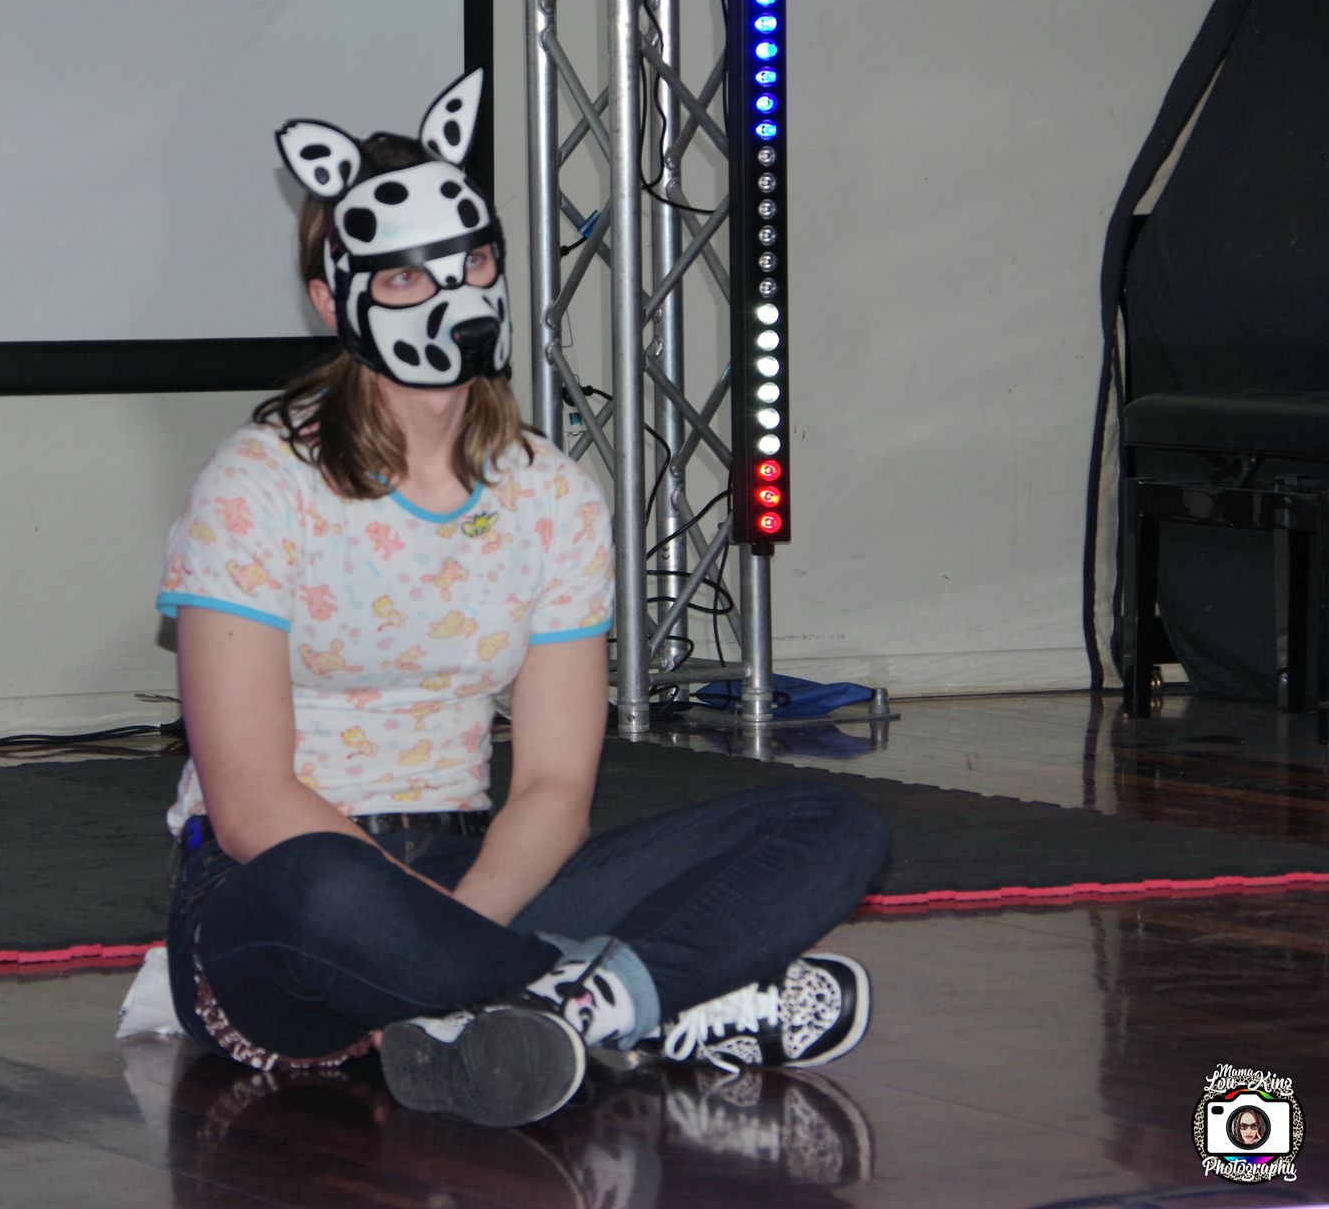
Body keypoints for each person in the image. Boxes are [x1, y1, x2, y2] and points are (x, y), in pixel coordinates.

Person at [155, 68, 890, 1128]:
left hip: (481, 871)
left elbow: (551, 786)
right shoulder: (258, 482)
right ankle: (632, 997)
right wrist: (427, 926)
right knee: (325, 886)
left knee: (832, 820)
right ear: (330, 298)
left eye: (471, 262)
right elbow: (251, 803)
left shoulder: (548, 493)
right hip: (279, 896)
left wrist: (464, 922)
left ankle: (551, 1008)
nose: (450, 295)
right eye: (402, 278)